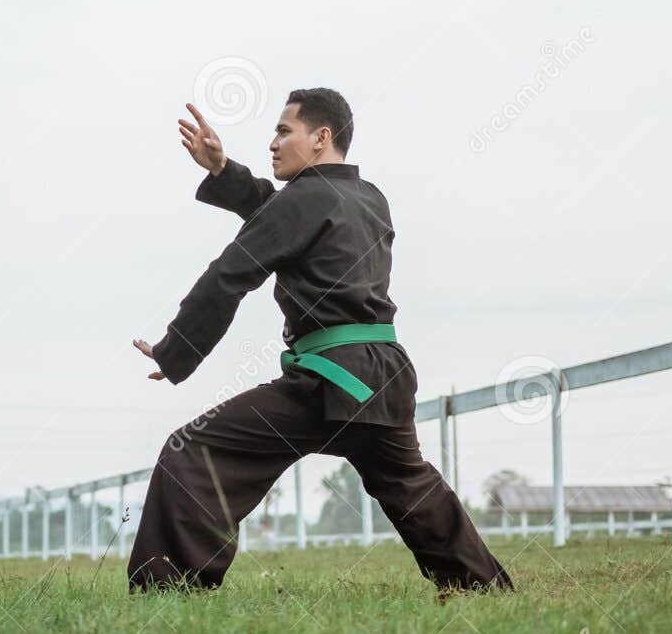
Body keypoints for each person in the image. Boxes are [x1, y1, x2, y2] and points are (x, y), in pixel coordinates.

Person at [127, 90, 513, 596]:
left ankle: (169, 591)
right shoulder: (368, 197)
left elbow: (229, 275)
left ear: (321, 137)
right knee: (412, 488)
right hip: (383, 375)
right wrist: (225, 173)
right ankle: (481, 586)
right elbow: (284, 214)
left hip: (330, 379)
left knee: (192, 452)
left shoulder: (306, 201)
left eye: (284, 131)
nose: (272, 142)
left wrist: (177, 350)